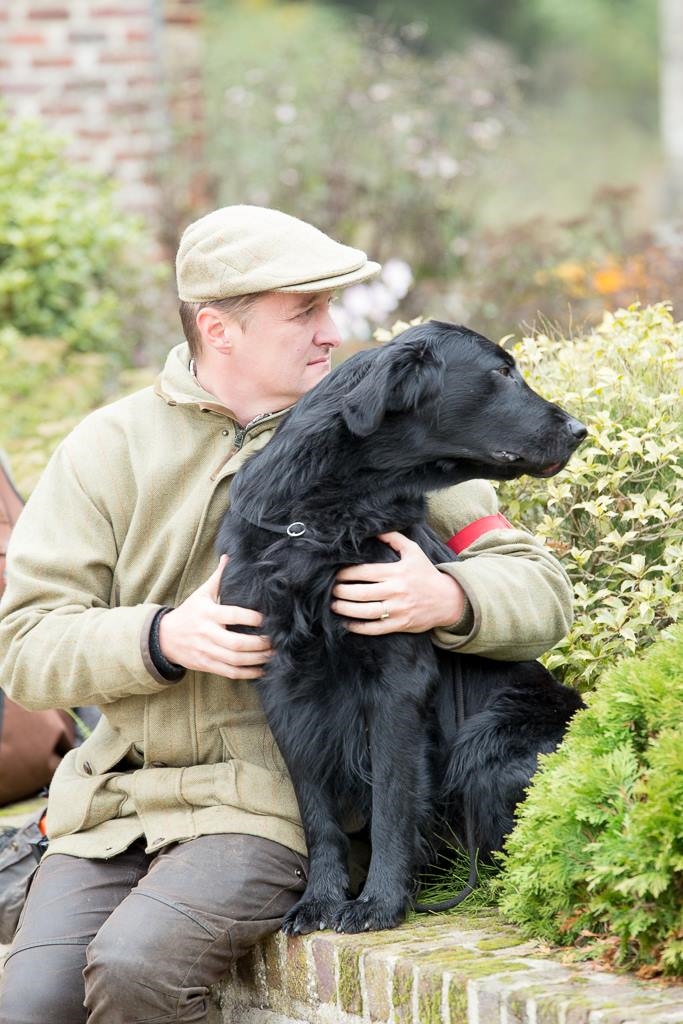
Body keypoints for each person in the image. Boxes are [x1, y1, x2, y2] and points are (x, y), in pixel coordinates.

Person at [0, 205, 573, 1023]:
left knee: (134, 974)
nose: (331, 332)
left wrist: (449, 597)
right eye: (303, 312)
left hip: (265, 808)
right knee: (29, 1002)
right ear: (218, 329)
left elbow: (539, 588)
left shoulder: (382, 432)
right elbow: (24, 647)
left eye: (330, 308)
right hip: (115, 805)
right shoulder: (107, 449)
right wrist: (160, 637)